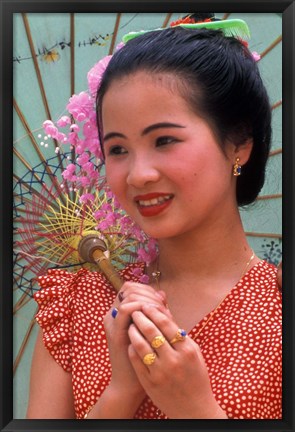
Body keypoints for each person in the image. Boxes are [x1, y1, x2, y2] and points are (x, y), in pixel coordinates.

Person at [26, 15, 282, 420]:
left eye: (164, 140)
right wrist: (121, 393)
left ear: (240, 143)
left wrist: (196, 409)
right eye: (118, 149)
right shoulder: (79, 305)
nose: (139, 174)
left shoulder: (278, 307)